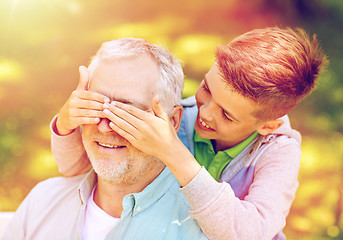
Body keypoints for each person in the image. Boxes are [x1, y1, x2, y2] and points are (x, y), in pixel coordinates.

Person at [49, 27, 328, 240]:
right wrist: (65, 123)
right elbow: (75, 168)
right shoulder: (175, 118)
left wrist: (172, 152)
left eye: (227, 115)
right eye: (206, 89)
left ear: (267, 126)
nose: (204, 113)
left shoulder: (278, 152)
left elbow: (249, 232)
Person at [3, 38, 208, 240]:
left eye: (125, 112)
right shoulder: (43, 201)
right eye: (94, 105)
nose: (103, 126)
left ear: (172, 121)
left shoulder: (199, 229)